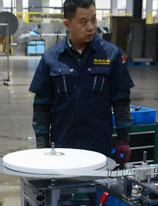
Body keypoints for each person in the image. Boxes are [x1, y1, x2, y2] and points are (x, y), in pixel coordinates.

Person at [29, 0, 135, 166]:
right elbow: (42, 106)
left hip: (99, 148)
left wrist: (123, 140)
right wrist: (42, 143)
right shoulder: (51, 58)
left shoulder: (111, 55)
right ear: (67, 24)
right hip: (63, 148)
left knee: (98, 183)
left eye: (94, 19)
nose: (91, 27)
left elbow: (121, 101)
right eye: (83, 22)